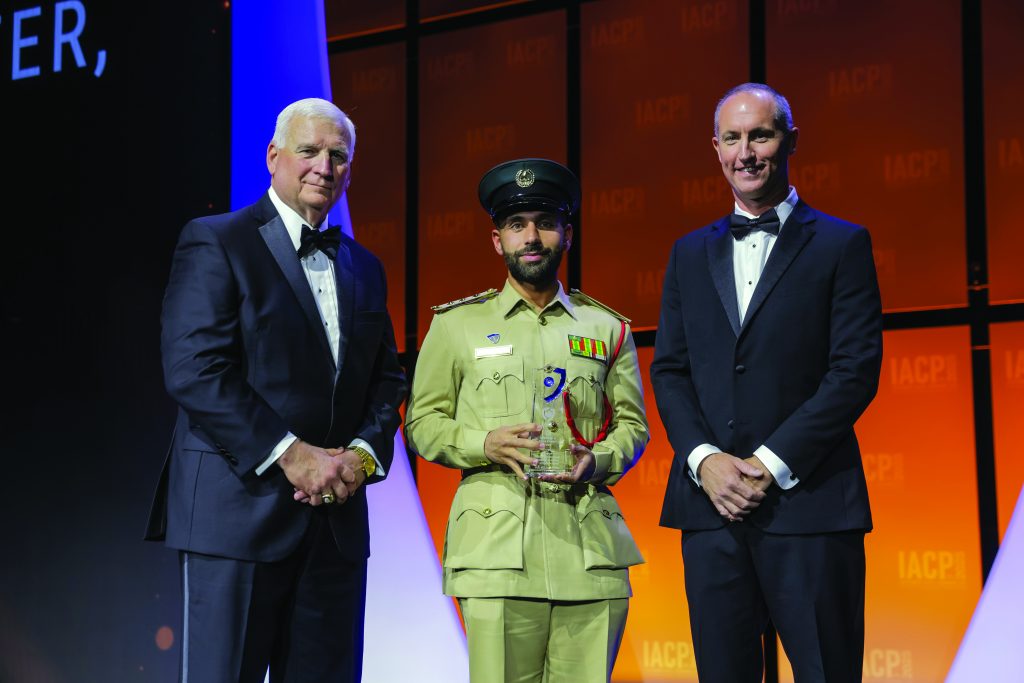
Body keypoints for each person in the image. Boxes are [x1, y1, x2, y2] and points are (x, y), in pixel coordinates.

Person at [145, 97, 406, 682]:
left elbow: (386, 380)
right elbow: (195, 368)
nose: (324, 167)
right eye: (309, 150)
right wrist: (292, 455)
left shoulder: (366, 267)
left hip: (335, 525)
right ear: (273, 156)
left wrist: (361, 458)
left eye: (338, 156)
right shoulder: (216, 240)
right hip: (236, 517)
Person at [651, 83, 883, 682]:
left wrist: (767, 465)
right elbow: (670, 370)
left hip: (811, 506)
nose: (746, 152)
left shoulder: (842, 243)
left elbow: (854, 371)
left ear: (790, 141)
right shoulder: (686, 253)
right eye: (732, 138)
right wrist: (705, 461)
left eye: (761, 135)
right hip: (710, 511)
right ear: (716, 149)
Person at [405, 158, 649, 683]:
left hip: (590, 557)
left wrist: (598, 459)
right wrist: (484, 443)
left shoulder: (607, 327)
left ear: (568, 234)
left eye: (545, 223)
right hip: (494, 557)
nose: (532, 237)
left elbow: (633, 426)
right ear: (498, 241)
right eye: (517, 225)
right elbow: (421, 423)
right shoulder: (455, 326)